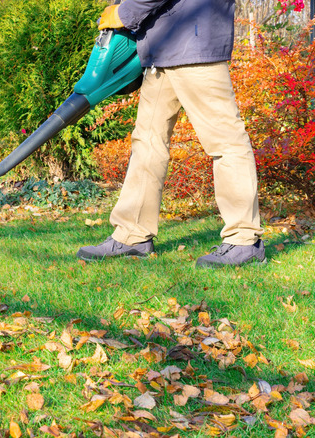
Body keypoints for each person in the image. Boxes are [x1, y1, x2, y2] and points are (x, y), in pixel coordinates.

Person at [76, 0, 266, 268]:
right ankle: (132, 234)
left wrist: (124, 12)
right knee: (147, 144)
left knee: (226, 142)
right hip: (161, 47)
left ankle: (244, 240)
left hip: (194, 41)